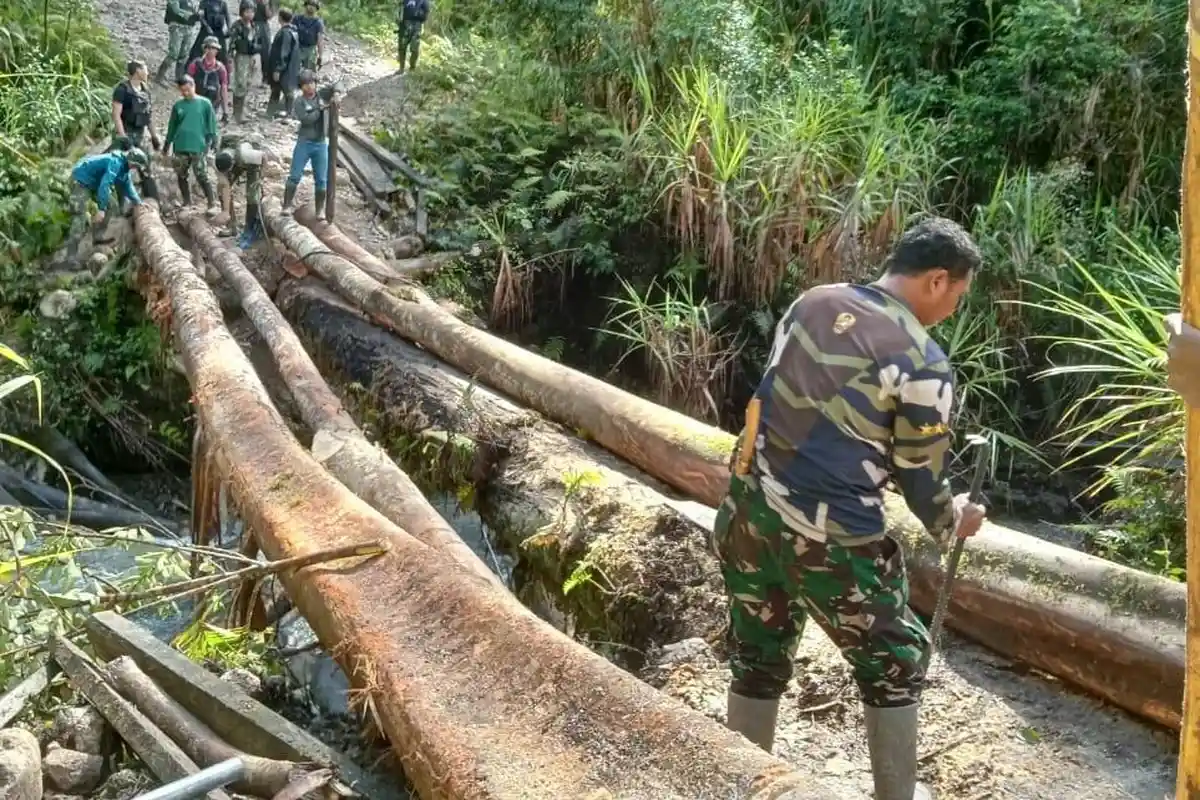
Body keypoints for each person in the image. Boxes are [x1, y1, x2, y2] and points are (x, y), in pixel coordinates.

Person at [714, 217, 987, 800]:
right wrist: (953, 520)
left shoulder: (813, 302)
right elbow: (920, 478)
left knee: (757, 652)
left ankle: (739, 784)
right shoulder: (922, 361)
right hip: (833, 541)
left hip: (747, 511)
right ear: (937, 280)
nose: (952, 309)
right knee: (896, 665)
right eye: (958, 296)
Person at [66, 149, 148, 258]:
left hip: (94, 182)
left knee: (112, 206)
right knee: (79, 216)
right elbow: (105, 185)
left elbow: (127, 185)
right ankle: (70, 255)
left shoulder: (124, 168)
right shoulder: (115, 163)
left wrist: (138, 202)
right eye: (135, 166)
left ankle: (98, 236)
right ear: (132, 162)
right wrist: (101, 209)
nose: (135, 168)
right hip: (80, 180)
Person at [283, 70, 338, 215]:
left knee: (321, 179)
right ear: (301, 87)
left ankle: (319, 210)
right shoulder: (299, 102)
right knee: (295, 175)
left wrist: (336, 93)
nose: (310, 87)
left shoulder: (321, 95)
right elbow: (307, 120)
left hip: (320, 143)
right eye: (306, 84)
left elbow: (338, 85)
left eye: (312, 83)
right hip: (304, 142)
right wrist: (319, 109)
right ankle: (286, 205)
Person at [163, 75, 219, 214]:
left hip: (198, 145)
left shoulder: (205, 103)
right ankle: (187, 201)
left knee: (201, 174)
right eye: (182, 91)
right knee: (181, 174)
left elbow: (212, 122)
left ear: (194, 86)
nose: (185, 93)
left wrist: (214, 138)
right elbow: (172, 126)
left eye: (188, 90)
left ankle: (211, 202)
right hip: (181, 144)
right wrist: (167, 144)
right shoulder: (178, 105)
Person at [111, 60, 161, 153]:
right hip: (125, 131)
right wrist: (123, 137)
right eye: (146, 70)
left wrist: (154, 137)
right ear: (138, 71)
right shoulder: (122, 90)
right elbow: (116, 115)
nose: (147, 73)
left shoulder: (145, 91)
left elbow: (148, 116)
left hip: (139, 135)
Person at [228, 2, 263, 124]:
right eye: (247, 11)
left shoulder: (255, 26)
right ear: (242, 12)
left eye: (252, 12)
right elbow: (231, 43)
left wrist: (256, 55)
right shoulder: (237, 26)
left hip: (252, 56)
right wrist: (230, 58)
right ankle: (236, 113)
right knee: (240, 83)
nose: (249, 14)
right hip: (241, 56)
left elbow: (258, 42)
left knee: (248, 83)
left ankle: (241, 111)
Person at [265, 8, 301, 118]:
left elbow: (283, 53)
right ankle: (273, 113)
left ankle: (284, 114)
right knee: (282, 91)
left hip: (283, 69)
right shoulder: (293, 32)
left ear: (280, 18)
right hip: (289, 68)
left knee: (282, 91)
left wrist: (278, 69)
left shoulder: (285, 33)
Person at [156, 0, 200, 83]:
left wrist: (197, 16)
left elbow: (195, 13)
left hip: (189, 28)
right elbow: (176, 10)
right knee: (174, 53)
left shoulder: (191, 2)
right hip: (177, 26)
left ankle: (179, 78)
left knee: (184, 54)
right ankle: (160, 76)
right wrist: (190, 15)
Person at [188, 37, 230, 122]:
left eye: (213, 48)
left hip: (212, 104)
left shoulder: (220, 68)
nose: (210, 51)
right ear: (204, 49)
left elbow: (224, 88)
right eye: (208, 47)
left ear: (217, 51)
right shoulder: (195, 64)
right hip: (195, 101)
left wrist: (225, 111)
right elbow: (187, 84)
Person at [191, 0, 232, 71]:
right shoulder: (204, 2)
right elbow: (201, 17)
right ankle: (191, 72)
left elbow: (227, 17)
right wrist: (207, 27)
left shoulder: (222, 3)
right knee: (197, 53)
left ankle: (223, 74)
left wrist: (229, 29)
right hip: (205, 31)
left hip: (219, 32)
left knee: (222, 55)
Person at [397, 0, 429, 73]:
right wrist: (399, 20)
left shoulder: (423, 1)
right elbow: (400, 9)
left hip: (416, 26)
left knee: (414, 48)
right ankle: (401, 68)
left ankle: (412, 67)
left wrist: (419, 16)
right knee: (402, 47)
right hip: (404, 25)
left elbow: (426, 13)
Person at [294, 0, 325, 71]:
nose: (311, 7)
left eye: (314, 5)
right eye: (310, 4)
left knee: (307, 73)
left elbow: (320, 40)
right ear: (306, 5)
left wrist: (320, 57)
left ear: (316, 8)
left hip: (310, 50)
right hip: (296, 47)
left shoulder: (318, 23)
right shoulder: (297, 19)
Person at [253, 0, 273, 85]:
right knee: (249, 50)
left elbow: (269, 16)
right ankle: (247, 77)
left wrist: (266, 4)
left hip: (264, 26)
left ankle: (265, 78)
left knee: (265, 53)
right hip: (252, 25)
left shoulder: (268, 2)